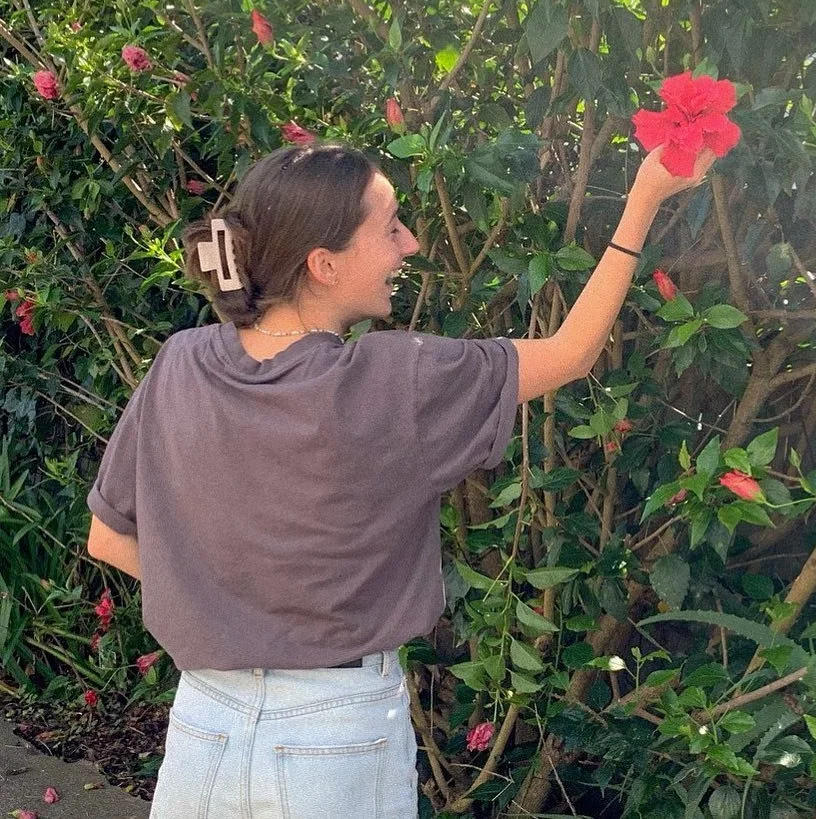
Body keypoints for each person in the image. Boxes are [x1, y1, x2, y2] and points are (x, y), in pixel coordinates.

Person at [85, 138, 716, 818]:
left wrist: (230, 604)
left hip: (203, 728)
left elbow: (108, 538)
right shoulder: (395, 380)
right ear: (323, 264)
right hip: (334, 739)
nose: (409, 244)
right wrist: (643, 200)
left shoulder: (180, 363)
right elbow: (570, 353)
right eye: (390, 229)